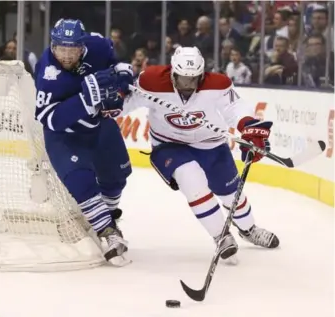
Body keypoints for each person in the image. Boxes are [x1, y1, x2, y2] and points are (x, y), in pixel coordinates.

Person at [108, 46, 279, 261]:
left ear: (202, 74)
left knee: (230, 193)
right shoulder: (152, 81)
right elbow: (124, 104)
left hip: (212, 145)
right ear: (172, 72)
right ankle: (221, 237)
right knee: (191, 179)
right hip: (169, 145)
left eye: (193, 79)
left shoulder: (217, 84)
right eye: (182, 79)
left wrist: (250, 128)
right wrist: (111, 101)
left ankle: (249, 229)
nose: (188, 86)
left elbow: (235, 108)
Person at [34, 19, 133, 266]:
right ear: (52, 46)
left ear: (82, 47)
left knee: (116, 178)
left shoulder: (97, 45)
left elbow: (114, 61)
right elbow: (49, 118)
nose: (66, 56)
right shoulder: (48, 72)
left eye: (72, 50)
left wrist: (122, 74)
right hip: (65, 136)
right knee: (82, 182)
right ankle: (108, 232)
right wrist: (86, 100)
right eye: (61, 49)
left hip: (99, 126)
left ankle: (106, 217)